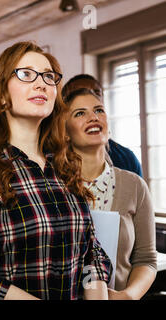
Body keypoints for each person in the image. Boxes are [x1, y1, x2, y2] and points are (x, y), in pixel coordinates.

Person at [0, 41, 112, 300]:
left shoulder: (66, 166)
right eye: (26, 74)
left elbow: (92, 255)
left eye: (48, 77)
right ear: (3, 95)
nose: (41, 83)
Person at [63, 87, 157, 299]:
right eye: (80, 113)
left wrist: (128, 295)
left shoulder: (135, 185)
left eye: (99, 110)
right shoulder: (52, 185)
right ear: (64, 132)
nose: (93, 117)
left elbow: (146, 259)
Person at [62, 74, 143, 177]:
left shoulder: (127, 159)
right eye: (80, 113)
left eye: (96, 93)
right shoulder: (51, 167)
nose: (93, 117)